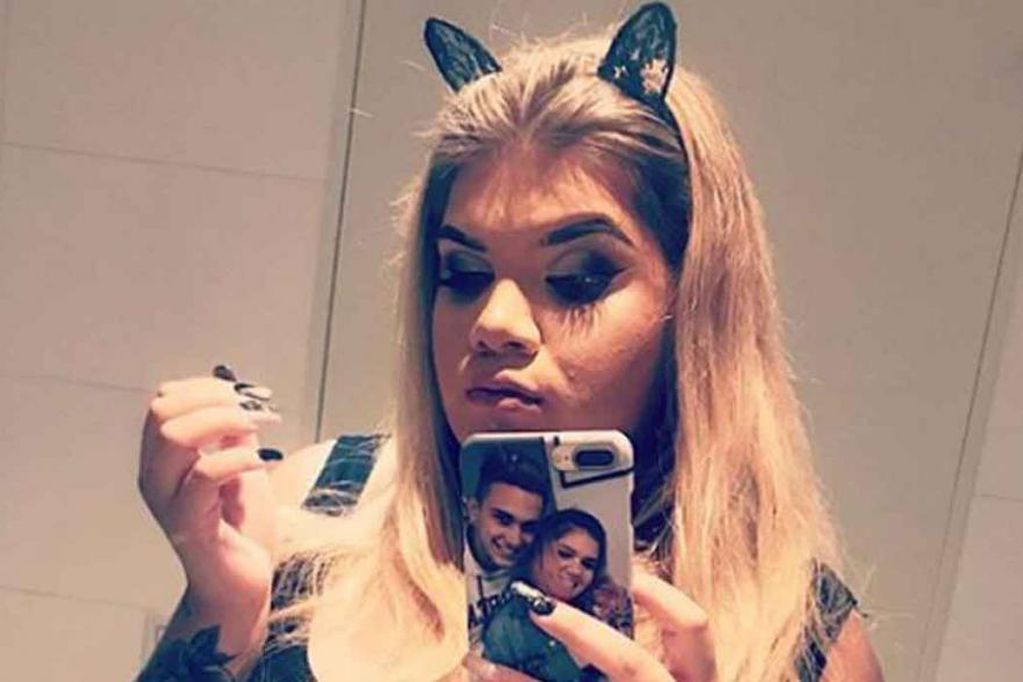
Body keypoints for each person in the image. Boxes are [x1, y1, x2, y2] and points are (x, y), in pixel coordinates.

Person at [136, 3, 884, 681]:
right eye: (463, 273)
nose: (493, 323)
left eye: (578, 278)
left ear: (694, 307)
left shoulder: (808, 643)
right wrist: (218, 608)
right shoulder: (311, 509)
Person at [482, 509, 625, 681]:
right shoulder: (507, 628)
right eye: (565, 554)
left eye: (588, 564)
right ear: (537, 550)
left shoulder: (605, 610)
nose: (576, 570)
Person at [465, 450, 551, 649]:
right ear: (474, 511)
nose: (515, 540)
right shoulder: (440, 568)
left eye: (528, 527)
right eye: (503, 520)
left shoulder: (535, 565)